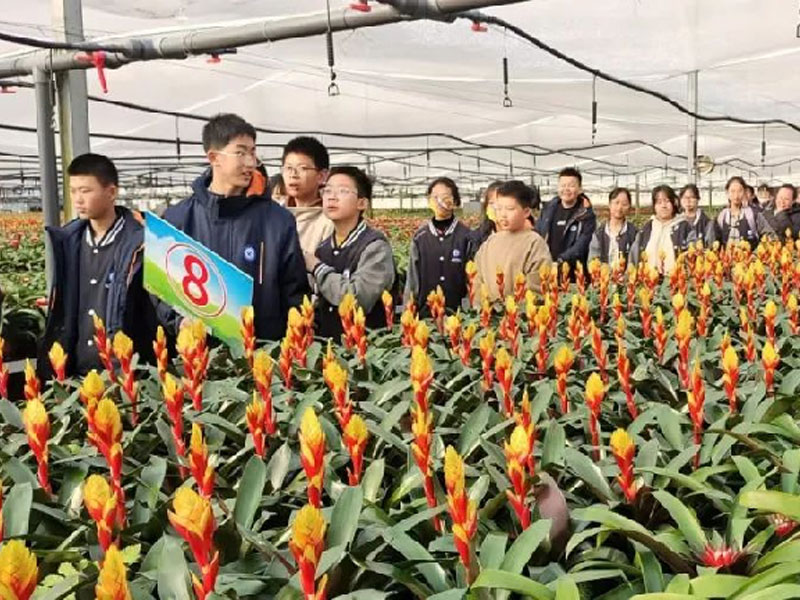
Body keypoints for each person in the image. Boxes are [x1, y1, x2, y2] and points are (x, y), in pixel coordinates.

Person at [161, 113, 309, 341]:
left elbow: (294, 292)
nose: (250, 162)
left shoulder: (278, 221)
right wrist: (179, 321)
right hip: (199, 353)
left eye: (252, 152)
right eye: (240, 153)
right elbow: (162, 290)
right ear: (214, 157)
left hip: (264, 353)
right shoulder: (178, 219)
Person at [39, 153, 157, 379]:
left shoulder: (141, 242)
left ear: (111, 192)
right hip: (76, 375)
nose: (78, 199)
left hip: (125, 376)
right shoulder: (69, 241)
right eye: (73, 191)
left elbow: (159, 301)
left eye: (85, 191)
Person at [308, 166, 396, 338]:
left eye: (342, 191)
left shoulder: (375, 247)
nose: (332, 197)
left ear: (362, 203)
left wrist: (317, 268)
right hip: (329, 347)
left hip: (367, 348)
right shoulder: (323, 249)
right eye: (327, 190)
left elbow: (358, 299)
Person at [472, 180, 552, 302]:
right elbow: (477, 281)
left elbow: (537, 287)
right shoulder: (489, 243)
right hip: (489, 312)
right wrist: (482, 308)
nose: (503, 214)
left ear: (526, 212)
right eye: (499, 208)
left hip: (520, 311)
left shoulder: (534, 243)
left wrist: (512, 309)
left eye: (510, 209)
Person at [404, 177, 475, 313]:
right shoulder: (420, 237)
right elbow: (412, 279)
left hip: (458, 314)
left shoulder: (467, 236)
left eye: (445, 197)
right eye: (435, 197)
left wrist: (468, 311)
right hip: (426, 314)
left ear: (455, 201)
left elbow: (472, 279)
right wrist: (408, 310)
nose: (439, 201)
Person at [280, 136, 335, 262]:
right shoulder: (274, 215)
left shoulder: (329, 221)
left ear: (321, 176)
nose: (293, 175)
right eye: (288, 168)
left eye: (303, 168)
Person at [535, 167, 596, 272]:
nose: (566, 189)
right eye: (563, 185)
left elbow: (582, 244)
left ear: (580, 189)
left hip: (574, 272)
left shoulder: (586, 215)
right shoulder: (548, 210)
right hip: (547, 269)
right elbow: (538, 235)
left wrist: (561, 260)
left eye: (571, 186)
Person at [629, 185, 692, 274]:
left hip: (675, 279)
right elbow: (634, 256)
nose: (663, 206)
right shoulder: (647, 228)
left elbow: (693, 256)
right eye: (659, 202)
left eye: (667, 201)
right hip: (648, 279)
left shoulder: (684, 227)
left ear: (674, 203)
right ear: (654, 206)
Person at [709, 176, 774, 249]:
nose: (736, 195)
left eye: (740, 191)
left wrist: (758, 252)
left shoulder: (753, 215)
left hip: (750, 256)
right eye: (732, 191)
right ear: (727, 193)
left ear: (745, 192)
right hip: (726, 256)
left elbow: (771, 236)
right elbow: (713, 242)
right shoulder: (721, 216)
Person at [588, 187, 637, 265]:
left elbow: (635, 261)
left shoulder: (634, 233)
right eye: (616, 203)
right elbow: (593, 261)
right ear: (610, 205)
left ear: (629, 207)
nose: (619, 207)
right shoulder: (599, 234)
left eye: (624, 204)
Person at [472, 180, 503, 247]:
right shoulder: (479, 235)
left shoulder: (520, 236)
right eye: (491, 203)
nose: (495, 207)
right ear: (486, 207)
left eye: (500, 203)